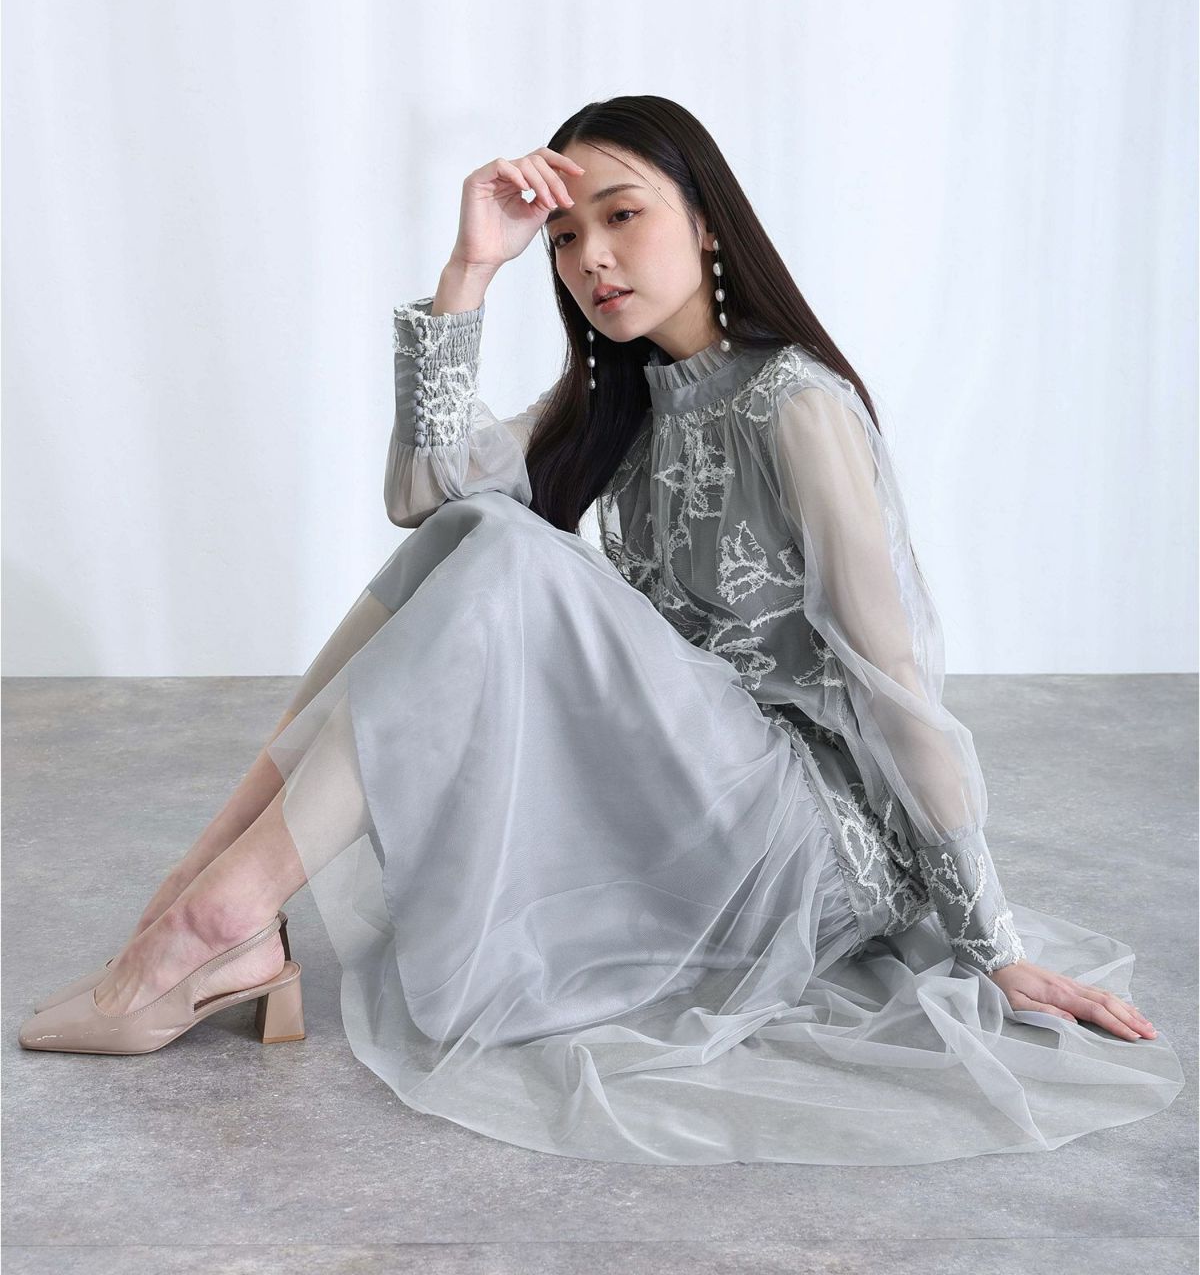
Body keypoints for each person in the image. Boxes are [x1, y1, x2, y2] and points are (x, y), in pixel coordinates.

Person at [20, 95, 1184, 1166]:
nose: (590, 259)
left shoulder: (796, 404)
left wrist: (993, 946)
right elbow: (423, 500)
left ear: (709, 225)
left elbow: (895, 685)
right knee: (475, 531)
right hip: (683, 795)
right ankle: (213, 893)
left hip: (807, 841)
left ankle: (219, 916)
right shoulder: (620, 402)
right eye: (568, 238)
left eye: (623, 217)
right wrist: (471, 269)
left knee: (508, 547)